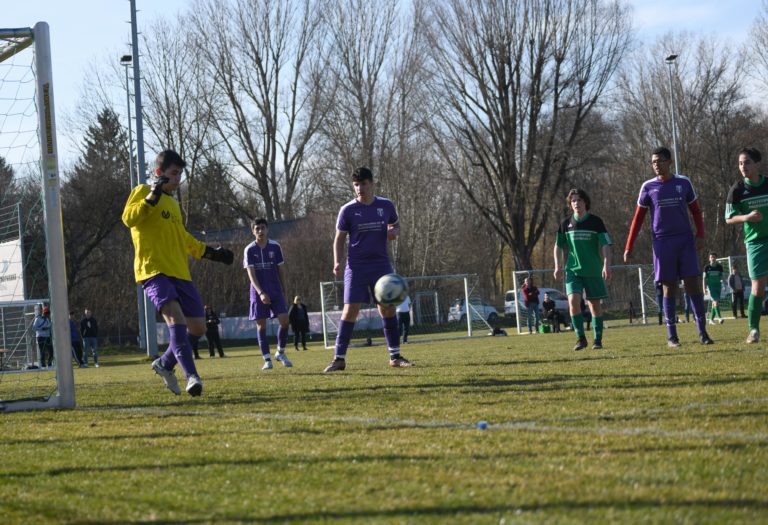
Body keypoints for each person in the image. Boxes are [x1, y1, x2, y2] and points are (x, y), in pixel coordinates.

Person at [122, 149, 234, 397]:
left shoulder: (173, 204)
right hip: (154, 270)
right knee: (177, 321)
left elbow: (182, 238)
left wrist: (211, 253)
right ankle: (192, 376)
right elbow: (128, 219)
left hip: (180, 272)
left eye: (180, 174)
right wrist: (151, 196)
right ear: (159, 172)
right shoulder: (142, 191)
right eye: (174, 173)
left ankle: (165, 364)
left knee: (198, 328)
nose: (178, 178)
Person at [324, 166, 412, 372]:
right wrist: (337, 261)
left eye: (363, 184)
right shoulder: (347, 210)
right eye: (356, 185)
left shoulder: (386, 205)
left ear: (372, 184)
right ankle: (339, 359)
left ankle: (395, 356)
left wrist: (394, 232)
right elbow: (339, 239)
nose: (359, 188)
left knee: (387, 308)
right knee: (350, 310)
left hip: (381, 264)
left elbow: (396, 225)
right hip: (356, 266)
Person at [624, 146, 713, 347]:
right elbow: (637, 220)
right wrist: (629, 246)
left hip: (685, 240)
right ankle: (672, 336)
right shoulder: (648, 186)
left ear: (669, 162)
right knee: (668, 286)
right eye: (653, 162)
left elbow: (696, 211)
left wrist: (700, 235)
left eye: (660, 161)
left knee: (692, 284)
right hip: (662, 242)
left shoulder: (683, 182)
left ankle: (703, 333)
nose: (656, 165)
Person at [554, 188, 612, 351]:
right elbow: (558, 246)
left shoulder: (596, 222)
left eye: (579, 200)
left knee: (594, 305)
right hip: (573, 270)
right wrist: (557, 266)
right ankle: (580, 338)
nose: (576, 203)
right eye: (573, 201)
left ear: (585, 202)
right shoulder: (565, 224)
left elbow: (606, 245)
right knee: (573, 301)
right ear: (570, 204)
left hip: (593, 270)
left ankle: (597, 340)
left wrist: (606, 264)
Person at [725, 147, 768, 343]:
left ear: (757, 163)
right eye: (740, 163)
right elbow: (729, 218)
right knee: (758, 288)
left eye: (747, 162)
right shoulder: (737, 189)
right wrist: (747, 217)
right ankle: (753, 330)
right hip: (755, 243)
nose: (743, 166)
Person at [244, 218, 293, 370]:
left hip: (275, 290)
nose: (260, 231)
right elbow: (251, 274)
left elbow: (281, 270)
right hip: (258, 292)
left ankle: (280, 352)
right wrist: (260, 293)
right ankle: (267, 359)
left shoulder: (275, 246)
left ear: (267, 229)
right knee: (261, 325)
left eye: (263, 228)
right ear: (253, 231)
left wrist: (284, 290)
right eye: (257, 228)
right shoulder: (249, 249)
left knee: (285, 321)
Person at [703, 252, 725, 325]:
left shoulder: (719, 267)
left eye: (714, 257)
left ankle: (711, 320)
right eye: (711, 257)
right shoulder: (706, 267)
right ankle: (719, 318)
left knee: (714, 303)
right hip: (711, 287)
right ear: (709, 259)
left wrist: (724, 285)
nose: (713, 258)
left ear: (716, 258)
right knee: (716, 301)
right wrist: (704, 288)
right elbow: (704, 279)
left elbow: (722, 277)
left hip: (718, 286)